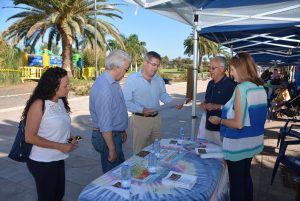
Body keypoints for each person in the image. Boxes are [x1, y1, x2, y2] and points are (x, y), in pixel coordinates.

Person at [209, 52, 267, 201]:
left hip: (238, 145)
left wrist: (220, 121)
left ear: (240, 69)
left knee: (236, 185)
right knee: (246, 178)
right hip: (252, 143)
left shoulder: (241, 88)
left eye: (233, 69)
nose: (231, 73)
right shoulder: (260, 88)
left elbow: (238, 123)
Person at [23, 67, 78, 201]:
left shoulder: (60, 101)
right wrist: (60, 146)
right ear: (54, 87)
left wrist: (70, 140)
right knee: (48, 197)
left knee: (58, 194)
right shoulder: (39, 104)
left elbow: (58, 129)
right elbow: (29, 137)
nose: (68, 87)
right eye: (65, 85)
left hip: (58, 158)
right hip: (42, 161)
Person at [123, 51, 182, 154]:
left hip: (156, 120)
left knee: (157, 149)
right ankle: (140, 170)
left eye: (157, 65)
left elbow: (163, 95)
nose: (155, 68)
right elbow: (126, 101)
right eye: (153, 64)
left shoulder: (159, 80)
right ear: (145, 63)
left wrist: (173, 103)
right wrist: (142, 110)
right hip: (140, 120)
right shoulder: (132, 80)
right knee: (140, 152)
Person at [89, 49, 131, 173]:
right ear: (117, 67)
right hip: (108, 137)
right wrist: (111, 148)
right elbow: (105, 123)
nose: (126, 73)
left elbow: (116, 110)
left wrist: (121, 129)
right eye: (126, 69)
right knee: (113, 178)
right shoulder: (104, 87)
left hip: (114, 134)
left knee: (119, 172)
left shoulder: (113, 82)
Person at [199, 56, 235, 145]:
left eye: (213, 68)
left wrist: (217, 106)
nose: (210, 70)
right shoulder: (210, 83)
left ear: (222, 69)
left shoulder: (231, 85)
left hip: (223, 130)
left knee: (220, 156)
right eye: (209, 67)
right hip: (208, 127)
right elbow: (207, 100)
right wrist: (203, 104)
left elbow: (235, 108)